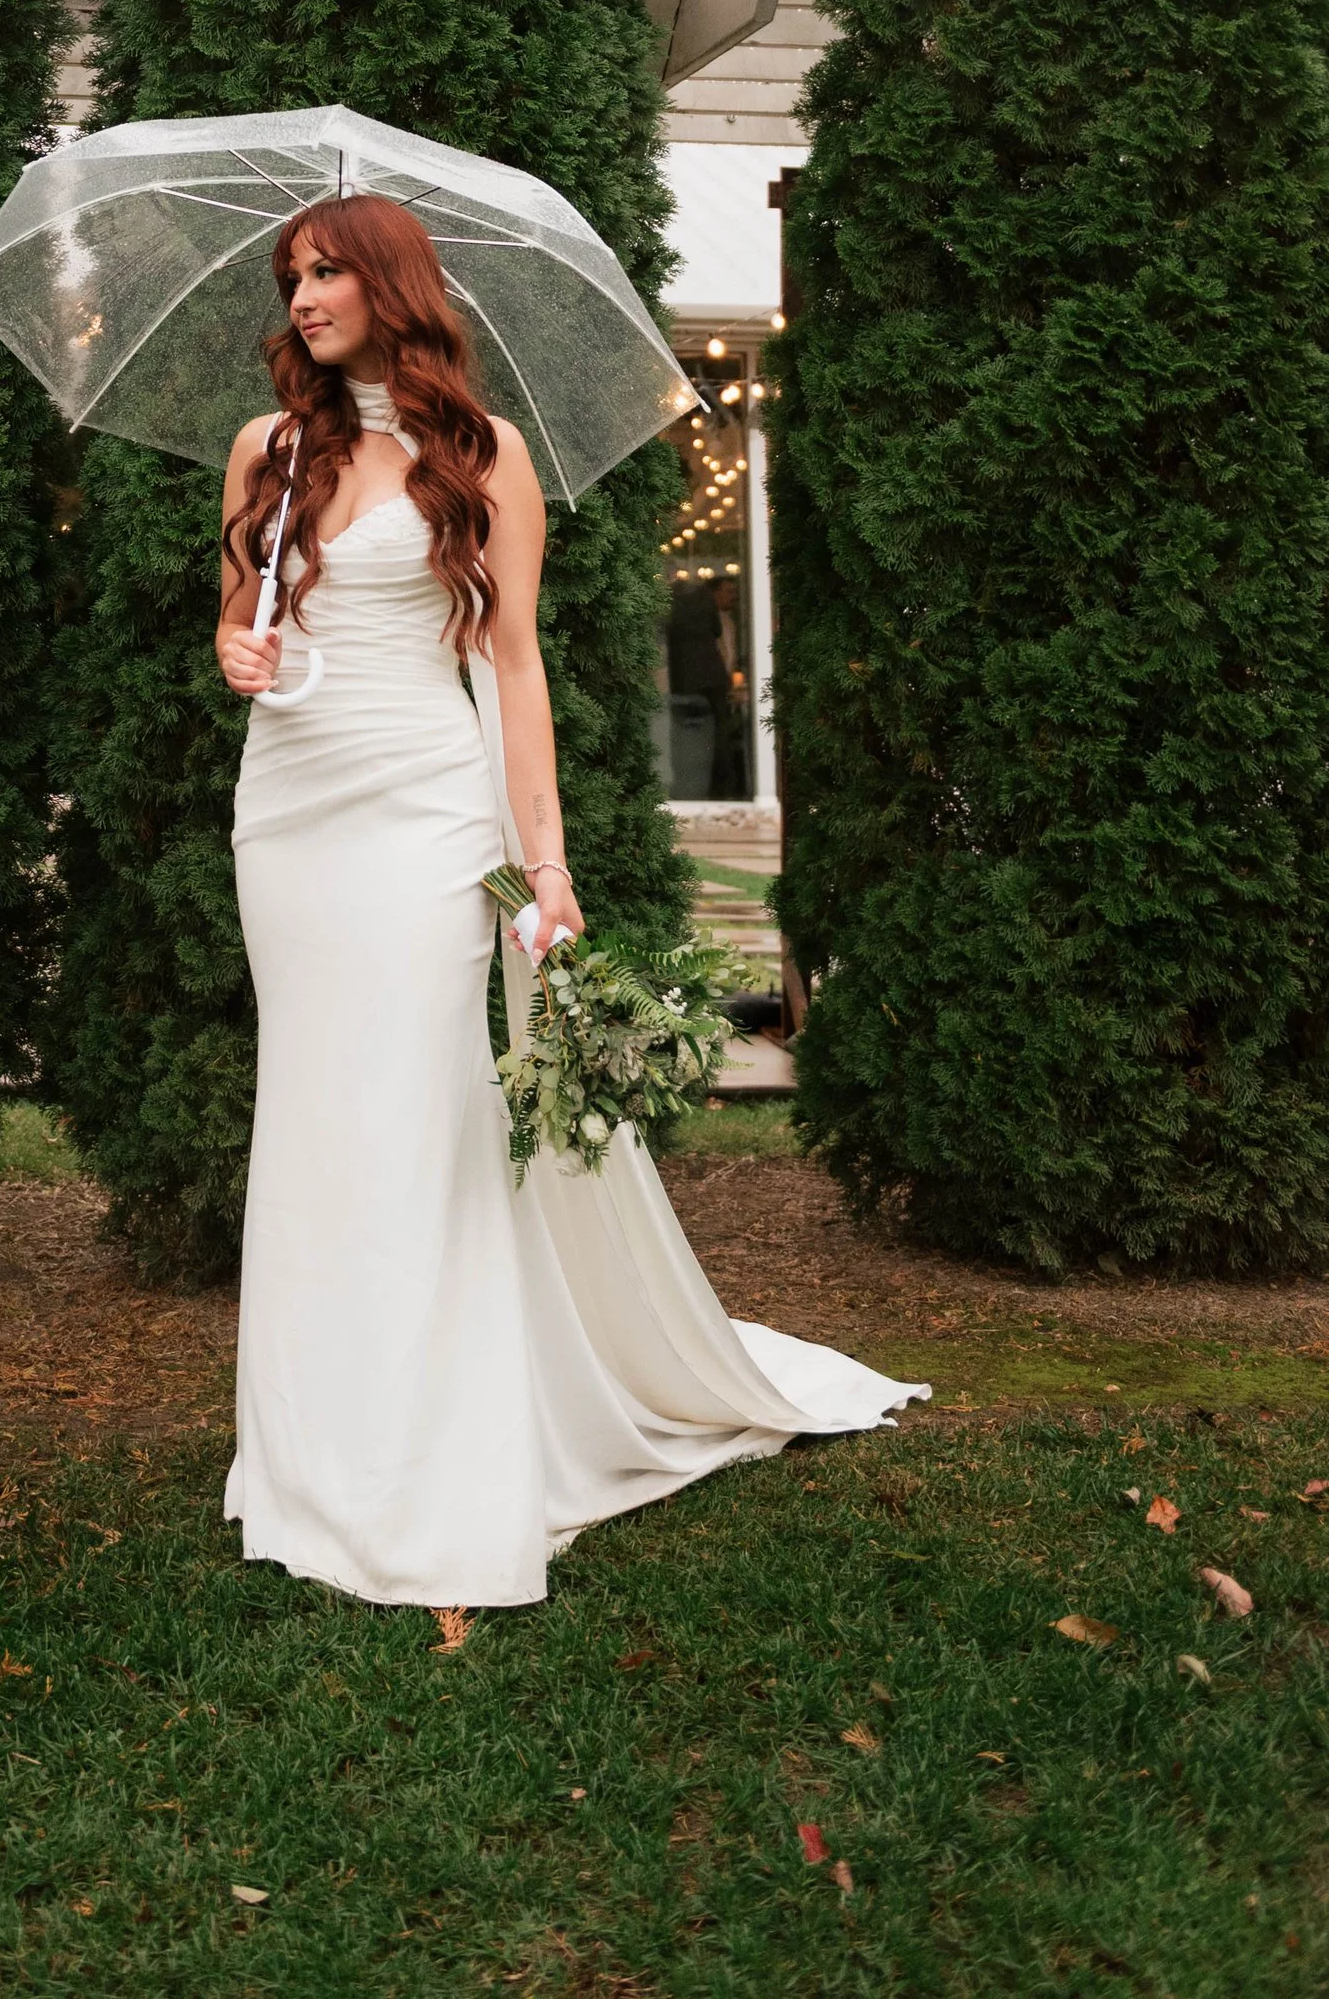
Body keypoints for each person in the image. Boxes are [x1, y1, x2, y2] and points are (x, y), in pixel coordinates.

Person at [213, 194, 917, 1614]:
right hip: (286, 814)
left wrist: (546, 865)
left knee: (422, 1109)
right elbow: (236, 621)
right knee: (313, 1109)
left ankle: (428, 1440)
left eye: (330, 271)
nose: (304, 298)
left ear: (393, 286)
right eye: (293, 277)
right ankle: (305, 1438)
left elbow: (514, 666)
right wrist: (241, 649)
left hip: (422, 811)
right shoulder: (267, 452)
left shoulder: (483, 461)